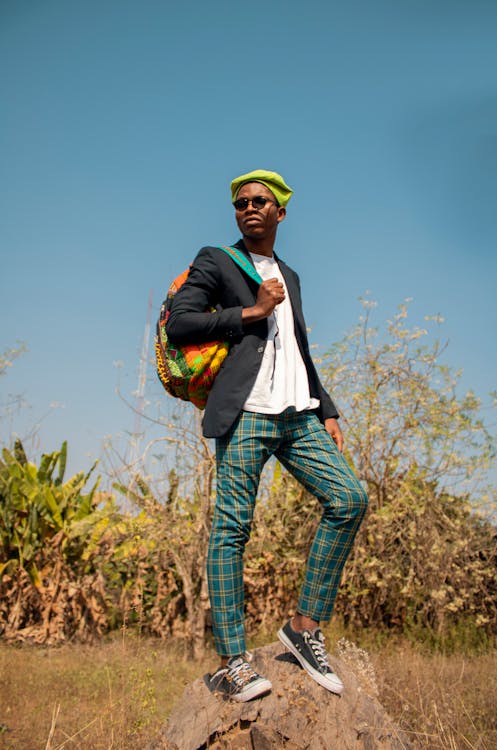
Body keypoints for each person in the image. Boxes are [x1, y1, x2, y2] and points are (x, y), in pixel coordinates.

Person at [165, 169, 368, 702]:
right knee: (232, 529)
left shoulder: (292, 276)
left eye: (260, 201)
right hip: (248, 411)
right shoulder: (216, 260)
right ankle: (234, 661)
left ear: (281, 211)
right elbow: (179, 324)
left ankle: (303, 628)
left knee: (349, 498)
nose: (249, 208)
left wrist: (325, 407)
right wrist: (250, 311)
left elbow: (298, 346)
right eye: (240, 202)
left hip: (298, 415)